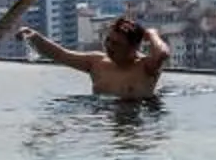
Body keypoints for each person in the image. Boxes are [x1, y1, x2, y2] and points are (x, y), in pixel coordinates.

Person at [26, 17, 171, 99]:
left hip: (135, 122)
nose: (109, 46)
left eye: (116, 43)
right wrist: (34, 37)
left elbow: (162, 53)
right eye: (108, 40)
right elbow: (60, 55)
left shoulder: (145, 67)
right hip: (102, 121)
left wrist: (152, 34)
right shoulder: (97, 62)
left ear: (133, 47)